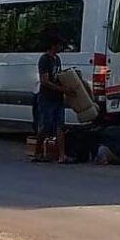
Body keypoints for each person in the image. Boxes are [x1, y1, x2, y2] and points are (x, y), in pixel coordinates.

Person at [33, 31, 73, 164]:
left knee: (60, 126)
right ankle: (38, 152)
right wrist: (63, 89)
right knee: (45, 125)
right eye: (59, 45)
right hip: (47, 97)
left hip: (57, 97)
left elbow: (58, 76)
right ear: (53, 45)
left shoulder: (57, 59)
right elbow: (45, 81)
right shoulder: (44, 59)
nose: (61, 47)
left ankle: (62, 155)